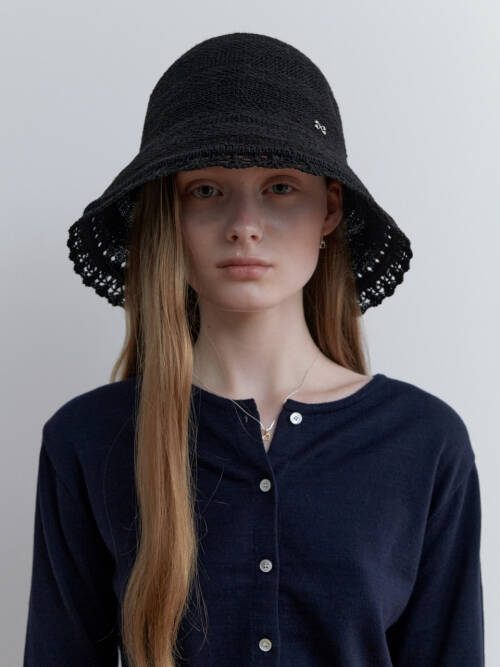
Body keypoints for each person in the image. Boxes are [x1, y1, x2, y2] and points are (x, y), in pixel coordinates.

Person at [23, 32, 484, 667]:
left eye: (280, 187)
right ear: (170, 216)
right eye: (206, 190)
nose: (244, 225)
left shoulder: (422, 443)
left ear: (329, 208)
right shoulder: (89, 441)